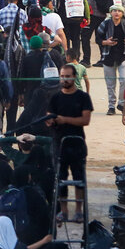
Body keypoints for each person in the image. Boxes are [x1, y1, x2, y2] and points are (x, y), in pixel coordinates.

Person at [49, 62, 93, 224]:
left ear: (74, 77)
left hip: (77, 144)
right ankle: (64, 211)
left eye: (67, 76)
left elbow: (85, 120)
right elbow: (49, 115)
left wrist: (64, 120)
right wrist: (50, 120)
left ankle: (79, 211)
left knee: (79, 178)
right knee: (60, 178)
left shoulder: (83, 97)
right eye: (62, 76)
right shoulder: (55, 97)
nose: (64, 79)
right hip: (59, 145)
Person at [93, 5, 125, 116]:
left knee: (124, 80)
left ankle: (121, 103)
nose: (117, 13)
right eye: (114, 11)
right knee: (110, 84)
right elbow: (98, 38)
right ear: (111, 13)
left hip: (123, 56)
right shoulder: (105, 24)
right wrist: (105, 42)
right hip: (108, 57)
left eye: (119, 11)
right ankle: (111, 106)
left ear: (122, 13)